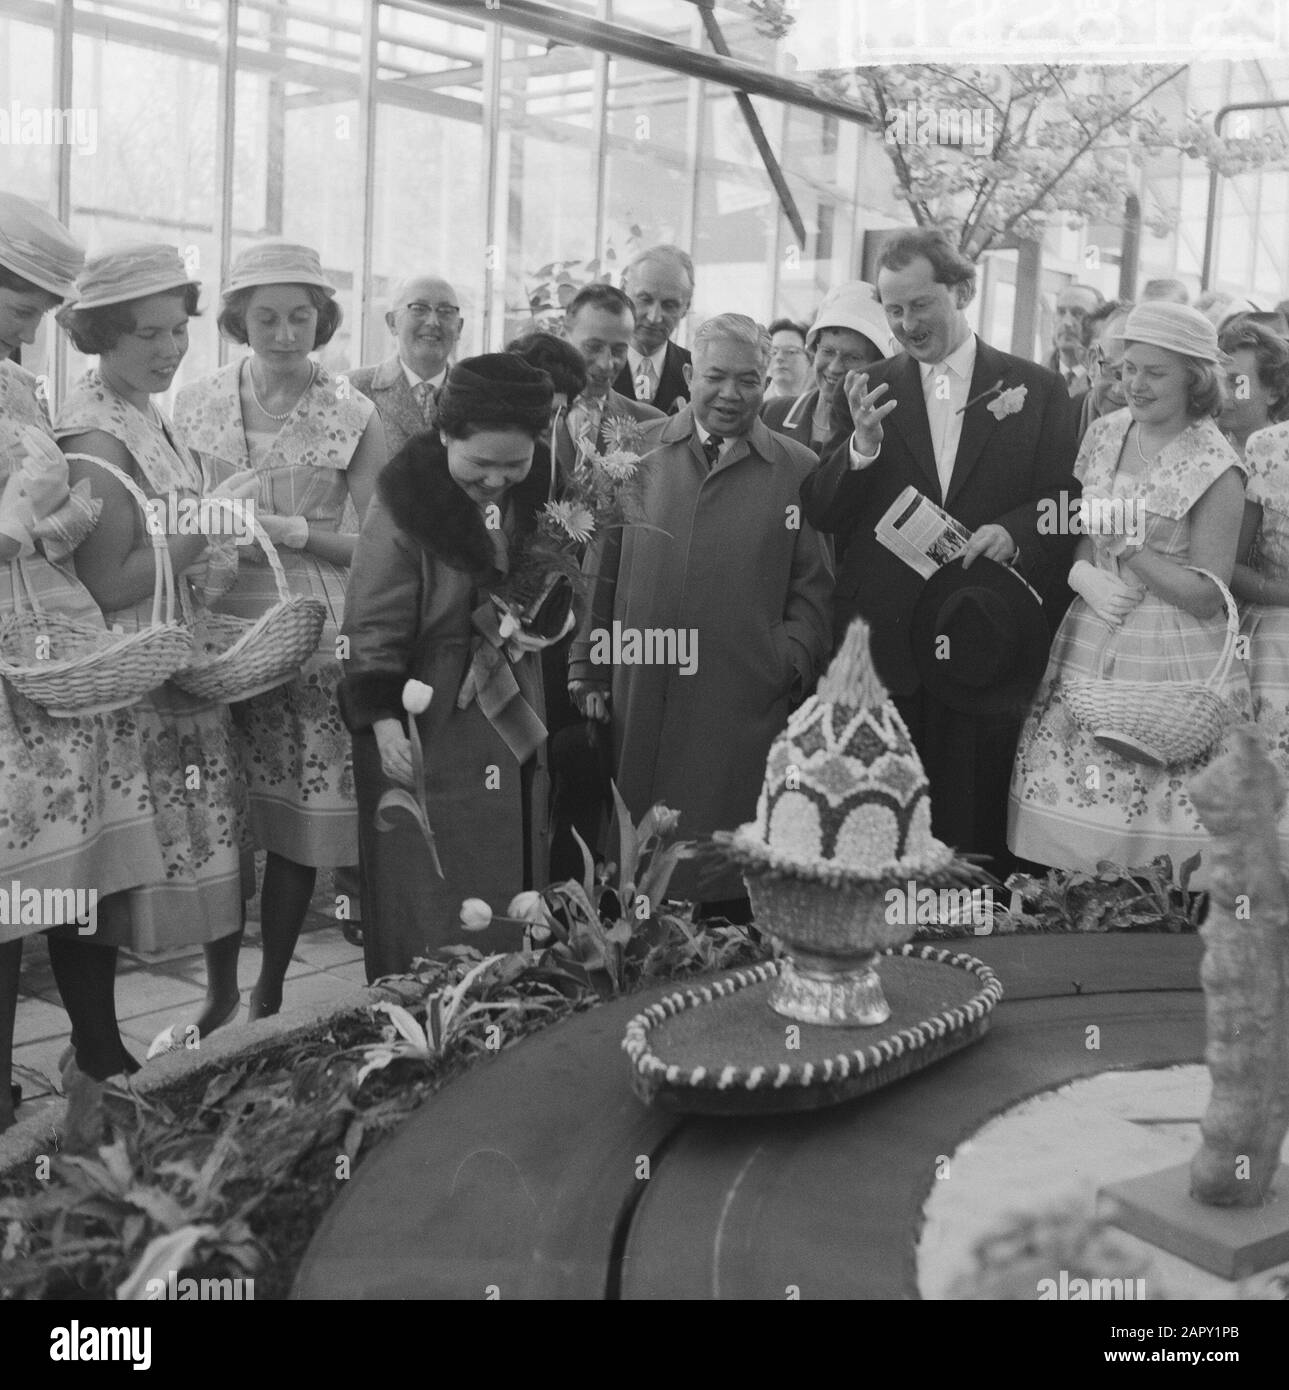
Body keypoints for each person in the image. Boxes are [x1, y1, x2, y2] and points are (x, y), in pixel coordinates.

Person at [801, 227, 1078, 874]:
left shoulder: (1033, 389)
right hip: (887, 641)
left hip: (985, 636)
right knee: (880, 818)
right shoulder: (864, 385)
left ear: (963, 290)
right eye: (892, 310)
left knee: (970, 820)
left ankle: (976, 953)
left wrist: (1014, 532)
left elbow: (1065, 501)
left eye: (919, 305)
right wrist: (861, 449)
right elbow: (821, 508)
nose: (904, 324)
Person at [174, 240, 385, 1020]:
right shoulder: (193, 402)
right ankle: (220, 986)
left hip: (309, 630)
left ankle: (269, 990)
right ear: (237, 320)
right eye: (266, 317)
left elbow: (384, 546)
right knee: (223, 813)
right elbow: (169, 511)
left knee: (295, 812)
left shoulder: (351, 411)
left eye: (301, 316)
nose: (285, 333)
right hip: (215, 625)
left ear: (322, 319)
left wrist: (287, 527)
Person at [55, 243, 259, 1047]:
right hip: (125, 680)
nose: (171, 349)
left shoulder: (143, 410)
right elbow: (111, 583)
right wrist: (209, 523)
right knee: (107, 864)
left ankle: (112, 1047)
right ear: (101, 335)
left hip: (166, 663)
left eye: (178, 329)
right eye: (149, 334)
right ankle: (99, 1051)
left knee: (144, 858)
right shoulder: (96, 438)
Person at [570, 313, 832, 916]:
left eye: (749, 380)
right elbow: (599, 565)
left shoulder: (798, 470)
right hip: (639, 684)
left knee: (719, 871)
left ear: (766, 383)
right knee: (632, 858)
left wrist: (782, 662)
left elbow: (814, 591)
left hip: (740, 697)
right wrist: (588, 663)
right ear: (689, 375)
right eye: (716, 377)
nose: (731, 395)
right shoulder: (635, 448)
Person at [0, 201, 166, 1141]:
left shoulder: (20, 392)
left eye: (37, 310)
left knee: (72, 863)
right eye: (20, 306)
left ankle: (99, 1060)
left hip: (54, 651)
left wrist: (57, 525)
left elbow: (49, 534)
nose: (29, 329)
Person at [1008, 302, 1250, 882]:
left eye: (1153, 372)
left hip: (1174, 656)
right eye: (1128, 368)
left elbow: (1208, 594)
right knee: (1068, 825)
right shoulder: (1104, 432)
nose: (1133, 384)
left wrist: (1132, 551)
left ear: (1195, 378)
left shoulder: (1217, 466)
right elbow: (1082, 534)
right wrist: (1082, 570)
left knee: (1159, 835)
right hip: (1094, 633)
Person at [339, 355, 555, 978]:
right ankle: (428, 1005)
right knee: (432, 870)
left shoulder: (543, 487)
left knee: (509, 857)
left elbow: (563, 579)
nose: (496, 480)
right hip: (426, 709)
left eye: (514, 464)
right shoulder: (407, 501)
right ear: (443, 433)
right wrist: (381, 724)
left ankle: (506, 992)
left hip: (512, 689)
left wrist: (534, 618)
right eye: (480, 464)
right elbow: (369, 626)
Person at [539, 286, 663, 882]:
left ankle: (582, 905)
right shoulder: (530, 417)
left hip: (606, 628)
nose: (607, 363)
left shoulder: (648, 428)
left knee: (589, 768)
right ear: (564, 332)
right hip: (530, 627)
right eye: (594, 346)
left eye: (620, 349)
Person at [761, 281, 889, 459]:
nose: (835, 367)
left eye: (852, 357)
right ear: (814, 350)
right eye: (827, 352)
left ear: (876, 364)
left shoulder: (883, 434)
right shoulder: (771, 415)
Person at [345, 274, 462, 457]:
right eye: (419, 309)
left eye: (445, 311)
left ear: (459, 328)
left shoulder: (477, 394)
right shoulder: (348, 390)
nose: (433, 322)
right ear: (392, 322)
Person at [613, 244, 694, 414]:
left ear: (686, 307)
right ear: (622, 290)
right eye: (645, 299)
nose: (654, 317)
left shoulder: (697, 376)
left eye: (669, 305)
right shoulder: (588, 366)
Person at [1218, 319, 1289, 460]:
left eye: (1237, 383)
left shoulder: (1283, 458)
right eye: (1218, 380)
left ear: (1273, 392)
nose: (1223, 394)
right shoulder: (1209, 450)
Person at [1079, 302, 1133, 440]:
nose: (1119, 389)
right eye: (1110, 370)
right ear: (1092, 363)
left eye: (1132, 374)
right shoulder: (1058, 421)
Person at [1047, 282, 1105, 404]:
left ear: (1098, 324)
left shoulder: (1107, 386)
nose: (1067, 323)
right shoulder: (1032, 377)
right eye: (1061, 312)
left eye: (1078, 314)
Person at [764, 318, 811, 400]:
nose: (779, 358)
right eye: (774, 352)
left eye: (790, 352)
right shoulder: (759, 403)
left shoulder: (816, 402)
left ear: (809, 359)